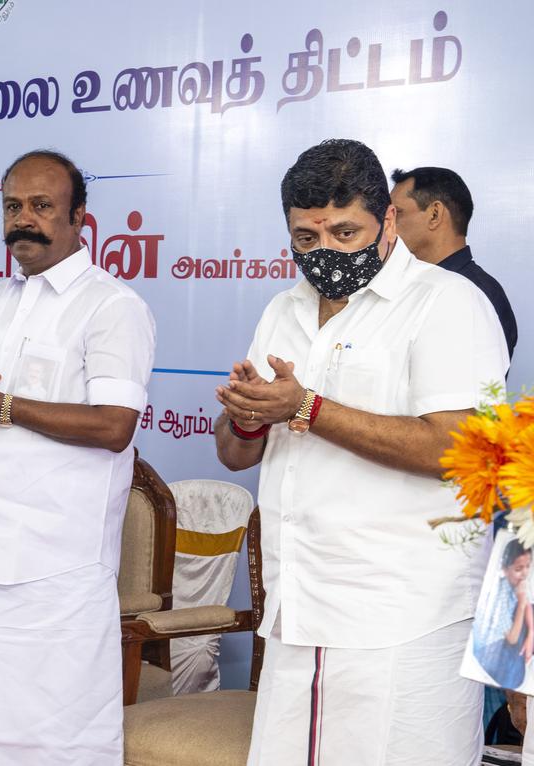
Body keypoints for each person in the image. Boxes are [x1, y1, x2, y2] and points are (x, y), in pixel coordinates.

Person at [214, 139, 508, 764]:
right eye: (307, 238)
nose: (326, 252)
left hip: (402, 620)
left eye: (346, 232)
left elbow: (460, 446)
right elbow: (236, 456)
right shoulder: (282, 308)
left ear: (389, 221)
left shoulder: (448, 303)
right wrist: (246, 415)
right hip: (297, 612)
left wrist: (306, 408)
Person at [0, 150, 155, 764]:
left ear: (79, 218)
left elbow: (115, 426)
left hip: (55, 570)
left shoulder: (112, 306)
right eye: (13, 206)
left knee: (48, 741)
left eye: (42, 206)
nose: (24, 219)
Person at [390, 167, 517, 359]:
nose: (387, 224)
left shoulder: (476, 295)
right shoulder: (406, 284)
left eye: (397, 213)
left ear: (435, 214)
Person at [472, 540, 534, 690]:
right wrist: (521, 602)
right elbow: (512, 638)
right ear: (505, 569)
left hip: (506, 642)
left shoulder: (516, 582)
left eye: (528, 566)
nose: (525, 573)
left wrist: (531, 632)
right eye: (519, 568)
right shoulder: (499, 593)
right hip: (491, 655)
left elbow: (528, 604)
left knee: (530, 606)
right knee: (526, 606)